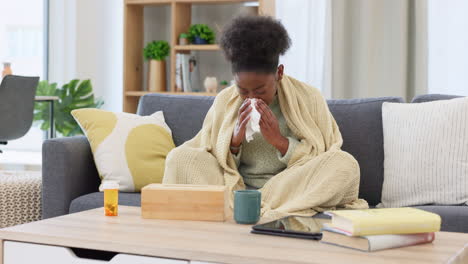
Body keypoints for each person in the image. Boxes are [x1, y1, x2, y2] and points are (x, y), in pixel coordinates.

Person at [163, 16, 368, 219]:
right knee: (179, 158)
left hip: (288, 188)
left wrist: (280, 142)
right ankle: (248, 206)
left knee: (345, 164)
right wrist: (233, 143)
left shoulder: (309, 97)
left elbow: (323, 152)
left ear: (279, 73)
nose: (251, 98)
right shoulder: (225, 100)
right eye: (243, 90)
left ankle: (247, 209)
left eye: (260, 91)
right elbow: (210, 151)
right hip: (235, 186)